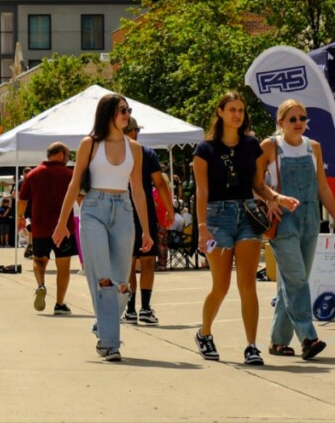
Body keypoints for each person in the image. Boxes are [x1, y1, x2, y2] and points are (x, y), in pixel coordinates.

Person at [193, 91, 297, 366]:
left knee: (248, 284)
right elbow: (201, 192)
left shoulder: (251, 145)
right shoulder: (204, 150)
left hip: (247, 213)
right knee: (221, 286)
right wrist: (202, 228)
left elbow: (258, 185)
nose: (237, 114)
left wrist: (276, 198)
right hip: (217, 217)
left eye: (240, 110)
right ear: (220, 112)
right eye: (232, 109)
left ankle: (251, 346)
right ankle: (204, 333)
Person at [52, 94, 154, 362]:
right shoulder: (90, 144)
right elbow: (74, 185)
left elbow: (139, 191)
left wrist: (146, 229)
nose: (126, 114)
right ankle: (109, 343)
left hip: (123, 210)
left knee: (122, 282)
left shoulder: (135, 148)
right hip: (94, 207)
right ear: (109, 112)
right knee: (104, 277)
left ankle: (104, 320)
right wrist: (62, 223)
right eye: (122, 110)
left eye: (128, 110)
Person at [259, 99, 333, 359]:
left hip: (310, 219)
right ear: (280, 123)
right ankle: (308, 338)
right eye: (293, 119)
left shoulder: (314, 148)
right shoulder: (269, 146)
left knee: (289, 284)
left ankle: (278, 341)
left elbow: (322, 188)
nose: (299, 123)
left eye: (302, 118)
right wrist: (270, 200)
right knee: (298, 280)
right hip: (284, 221)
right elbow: (254, 182)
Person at [122, 117, 175, 326]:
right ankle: (145, 308)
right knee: (147, 262)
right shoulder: (147, 153)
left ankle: (130, 309)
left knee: (128, 262)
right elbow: (160, 183)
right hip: (144, 213)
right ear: (134, 132)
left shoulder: (113, 152)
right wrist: (169, 209)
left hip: (121, 211)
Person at [20, 142, 77, 315]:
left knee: (39, 261)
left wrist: (19, 218)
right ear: (60, 155)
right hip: (64, 228)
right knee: (63, 266)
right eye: (67, 155)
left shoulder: (34, 173)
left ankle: (41, 285)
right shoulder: (69, 174)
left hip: (40, 227)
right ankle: (59, 304)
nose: (68, 158)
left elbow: (22, 200)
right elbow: (81, 197)